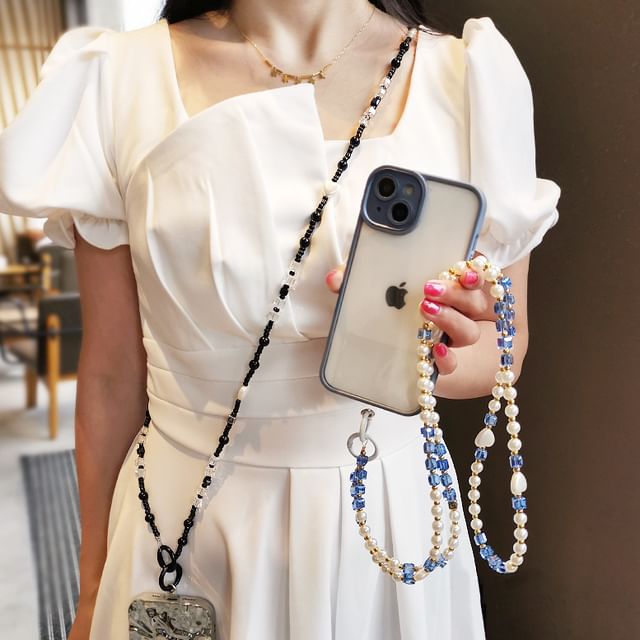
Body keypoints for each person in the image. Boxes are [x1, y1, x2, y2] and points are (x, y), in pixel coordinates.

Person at [0, 1, 560, 638]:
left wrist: (434, 356)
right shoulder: (118, 80)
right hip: (184, 531)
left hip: (386, 524)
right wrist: (92, 589)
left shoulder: (469, 79)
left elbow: (502, 349)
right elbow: (109, 376)